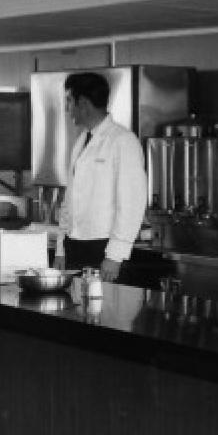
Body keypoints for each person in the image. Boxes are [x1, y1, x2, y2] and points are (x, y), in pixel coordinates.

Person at [54, 72, 147, 282]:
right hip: (74, 245)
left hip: (104, 248)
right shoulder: (80, 143)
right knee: (74, 312)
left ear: (84, 103)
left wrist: (115, 255)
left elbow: (132, 203)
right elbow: (69, 201)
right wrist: (61, 249)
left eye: (69, 101)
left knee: (105, 312)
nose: (67, 109)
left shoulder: (123, 141)